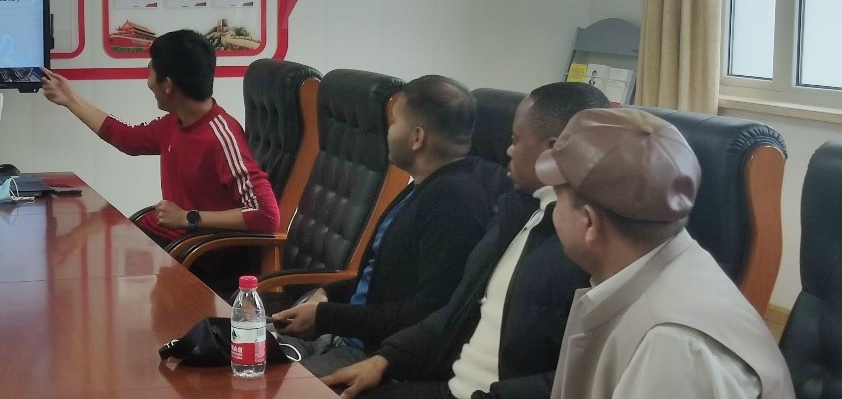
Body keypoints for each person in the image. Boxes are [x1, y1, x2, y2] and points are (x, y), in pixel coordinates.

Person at [320, 82, 608, 399]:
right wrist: (386, 359)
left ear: (553, 152)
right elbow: (455, 312)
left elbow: (581, 378)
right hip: (450, 386)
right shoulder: (516, 215)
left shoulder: (586, 248)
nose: (508, 151)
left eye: (515, 141)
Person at [539, 108, 793, 398]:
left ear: (588, 222)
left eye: (557, 199)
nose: (554, 211)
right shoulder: (670, 269)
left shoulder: (674, 349)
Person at [270, 76, 509, 377]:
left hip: (371, 356)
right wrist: (327, 294)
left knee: (255, 386)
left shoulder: (454, 204)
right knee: (238, 345)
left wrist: (327, 317)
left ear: (417, 137)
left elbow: (426, 314)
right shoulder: (427, 184)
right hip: (343, 332)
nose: (389, 131)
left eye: (395, 122)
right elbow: (381, 281)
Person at [40, 29, 279, 247]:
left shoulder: (222, 138)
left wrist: (189, 218)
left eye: (150, 71)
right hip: (168, 238)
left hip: (197, 253)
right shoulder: (176, 122)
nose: (148, 82)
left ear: (167, 85)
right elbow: (127, 138)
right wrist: (70, 99)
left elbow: (267, 215)